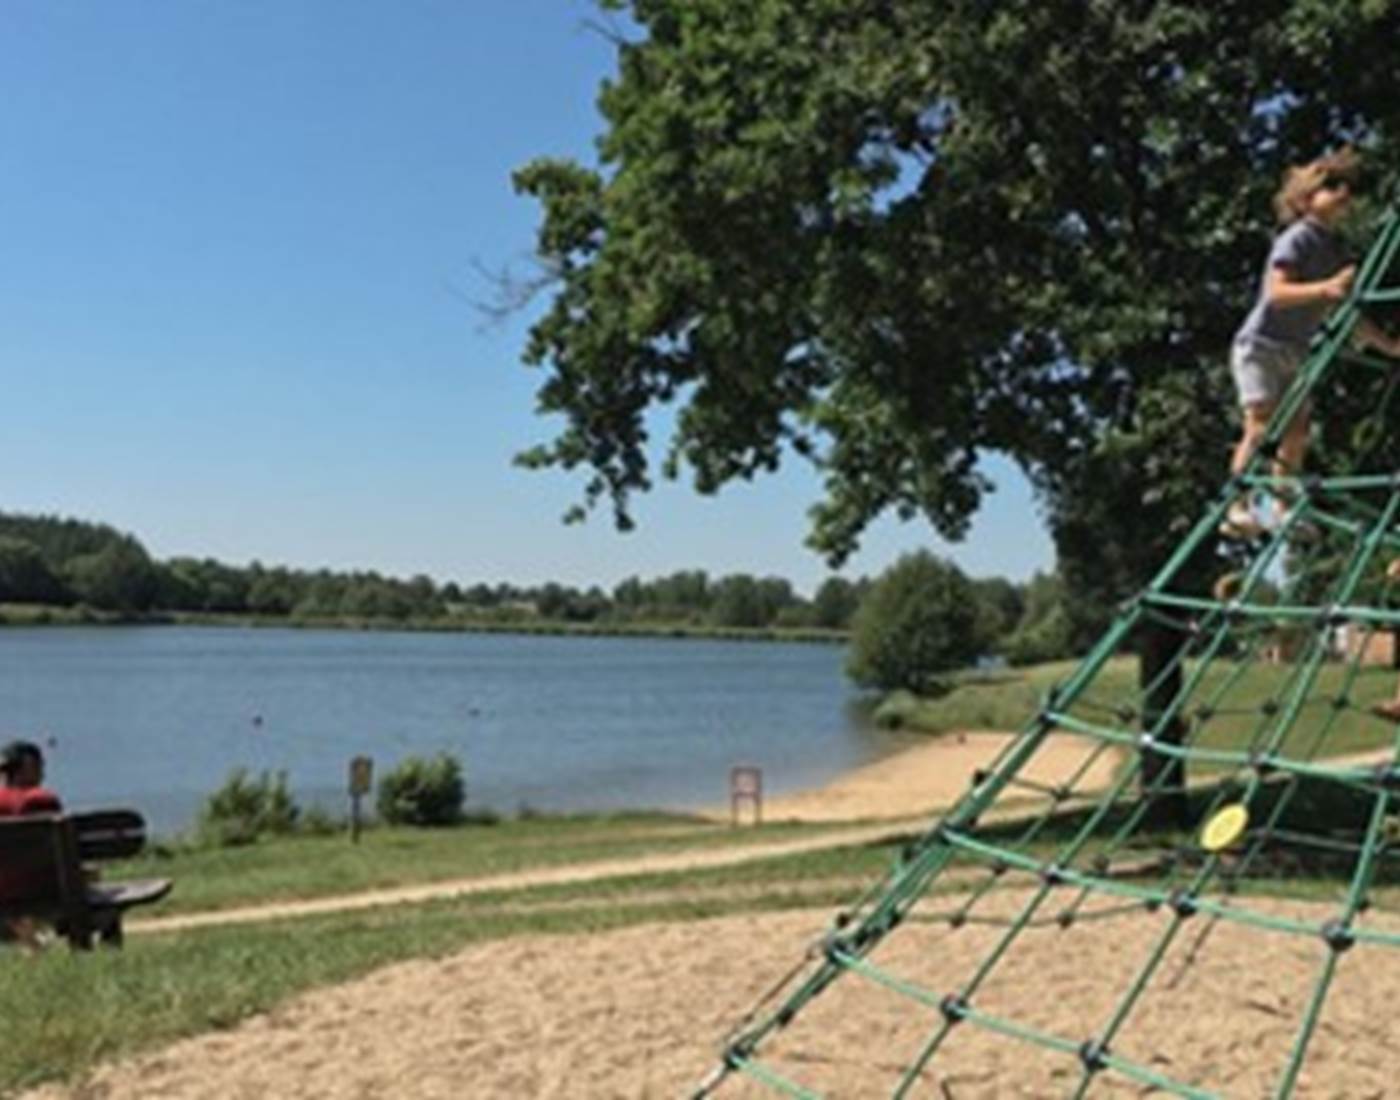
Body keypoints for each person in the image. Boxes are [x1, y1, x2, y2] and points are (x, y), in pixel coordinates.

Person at [1222, 147, 1400, 539]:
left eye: (1346, 187)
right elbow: (1277, 294)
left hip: (1296, 350)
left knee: (1299, 429)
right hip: (1261, 345)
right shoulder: (1297, 238)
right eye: (1332, 186)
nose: (1344, 194)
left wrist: (1388, 346)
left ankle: (1281, 506)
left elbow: (1345, 314)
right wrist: (1327, 288)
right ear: (1307, 199)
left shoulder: (1333, 249)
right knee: (1261, 424)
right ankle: (1236, 507)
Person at [0, 740, 63, 948]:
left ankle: (31, 943)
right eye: (40, 765)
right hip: (44, 891)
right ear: (27, 768)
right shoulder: (44, 802)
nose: (43, 773)